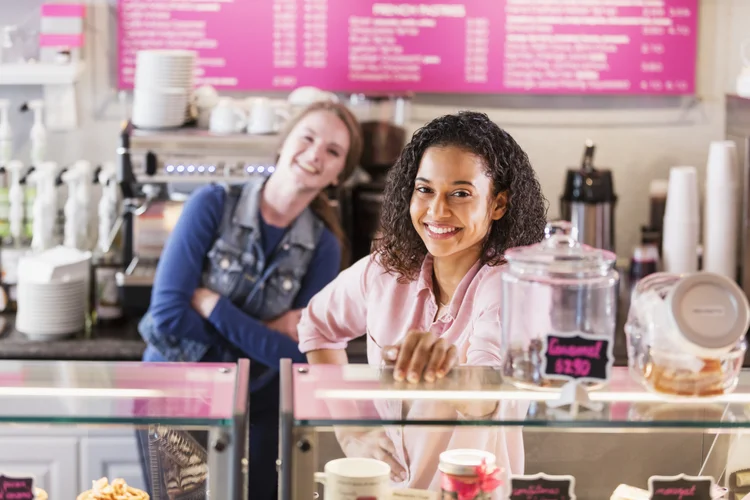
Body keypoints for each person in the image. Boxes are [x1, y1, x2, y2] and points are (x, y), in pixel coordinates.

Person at [297, 111, 548, 494]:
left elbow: (487, 395)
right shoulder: (384, 272)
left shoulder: (511, 286)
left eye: (460, 193)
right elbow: (316, 326)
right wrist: (352, 431)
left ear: (498, 204)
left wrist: (446, 372)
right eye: (425, 189)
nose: (436, 211)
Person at [137, 100, 363, 500]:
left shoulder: (324, 247)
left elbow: (298, 353)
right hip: (175, 390)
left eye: (332, 151)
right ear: (283, 143)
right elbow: (168, 316)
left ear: (337, 175)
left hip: (257, 405)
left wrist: (213, 307)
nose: (315, 154)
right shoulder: (212, 204)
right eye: (307, 138)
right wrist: (263, 334)